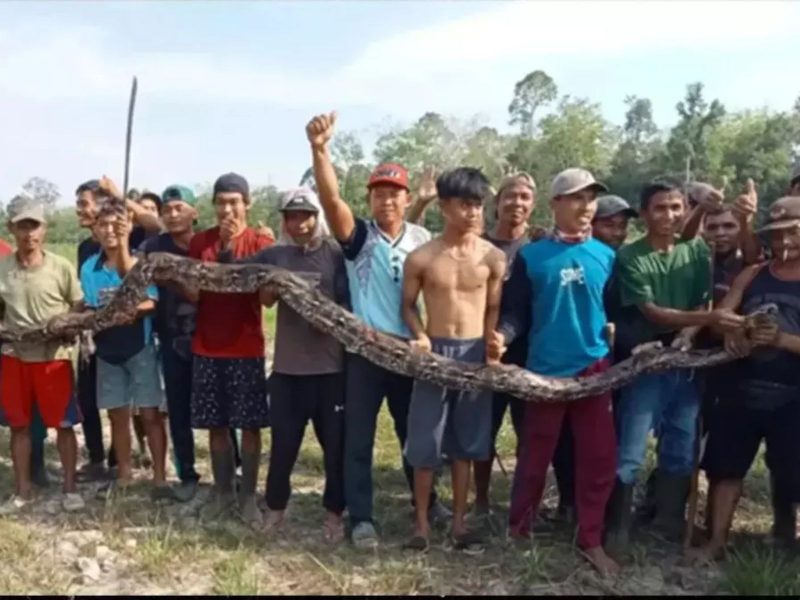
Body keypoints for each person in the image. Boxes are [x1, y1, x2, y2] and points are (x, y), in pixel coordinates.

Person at [306, 111, 449, 549]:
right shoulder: (360, 237)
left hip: (409, 351)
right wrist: (320, 150)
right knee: (359, 438)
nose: (386, 200)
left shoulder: (423, 237)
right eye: (378, 193)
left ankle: (427, 503)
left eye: (394, 194)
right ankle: (362, 517)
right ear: (369, 200)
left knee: (415, 434)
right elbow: (332, 203)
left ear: (406, 200)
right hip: (366, 352)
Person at [489, 168, 620, 575]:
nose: (586, 207)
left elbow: (617, 312)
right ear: (556, 205)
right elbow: (516, 312)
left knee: (598, 458)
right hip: (544, 372)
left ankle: (591, 539)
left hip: (594, 371)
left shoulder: (606, 256)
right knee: (534, 457)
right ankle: (519, 529)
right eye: (577, 198)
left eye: (591, 199)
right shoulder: (531, 257)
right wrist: (502, 337)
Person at [605, 181, 744, 551]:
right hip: (644, 360)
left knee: (682, 445)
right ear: (646, 213)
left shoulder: (697, 250)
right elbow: (651, 311)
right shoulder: (631, 256)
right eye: (660, 208)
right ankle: (616, 529)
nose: (669, 215)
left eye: (676, 207)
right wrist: (711, 319)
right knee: (631, 449)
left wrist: (693, 329)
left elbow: (700, 302)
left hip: (687, 362)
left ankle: (667, 524)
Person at [234, 188, 348, 542]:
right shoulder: (275, 255)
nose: (299, 223)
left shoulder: (335, 254)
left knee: (335, 448)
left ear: (318, 216)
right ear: (284, 220)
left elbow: (347, 304)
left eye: (306, 215)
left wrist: (326, 320)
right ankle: (277, 509)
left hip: (330, 370)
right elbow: (251, 286)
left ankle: (334, 513)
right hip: (287, 369)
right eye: (292, 216)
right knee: (283, 446)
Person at [401, 168, 505, 553]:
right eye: (465, 204)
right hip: (435, 353)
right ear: (444, 206)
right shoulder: (422, 257)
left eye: (478, 205)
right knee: (426, 441)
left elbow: (493, 307)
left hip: (474, 353)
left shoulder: (492, 258)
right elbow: (408, 306)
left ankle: (460, 522)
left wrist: (494, 345)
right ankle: (422, 524)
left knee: (468, 442)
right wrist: (421, 336)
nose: (473, 212)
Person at [690, 196, 800, 561]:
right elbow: (723, 311)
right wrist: (731, 330)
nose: (785, 243)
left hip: (793, 394)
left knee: (794, 472)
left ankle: (788, 540)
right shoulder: (754, 273)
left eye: (794, 234)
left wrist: (783, 340)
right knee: (725, 468)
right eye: (779, 235)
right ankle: (716, 542)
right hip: (741, 386)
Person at [186, 173, 272, 527]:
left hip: (246, 347)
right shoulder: (199, 243)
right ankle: (223, 493)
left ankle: (249, 496)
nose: (227, 209)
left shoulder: (262, 241)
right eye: (221, 202)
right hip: (207, 346)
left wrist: (235, 253)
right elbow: (193, 294)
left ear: (247, 204)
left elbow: (266, 299)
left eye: (234, 202)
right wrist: (219, 253)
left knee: (250, 426)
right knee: (216, 426)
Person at [0, 194, 84, 514]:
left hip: (53, 357)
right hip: (15, 356)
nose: (28, 234)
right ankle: (23, 490)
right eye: (22, 226)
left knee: (63, 424)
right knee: (19, 425)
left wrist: (66, 323)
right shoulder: (3, 269)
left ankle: (69, 488)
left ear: (44, 230)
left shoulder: (60, 267)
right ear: (12, 229)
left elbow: (77, 304)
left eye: (34, 226)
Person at [74, 178, 161, 481]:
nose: (109, 230)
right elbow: (90, 304)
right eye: (104, 225)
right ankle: (123, 474)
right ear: (95, 228)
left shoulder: (139, 259)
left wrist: (130, 310)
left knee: (150, 414)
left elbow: (151, 300)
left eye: (116, 225)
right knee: (117, 415)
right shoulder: (89, 266)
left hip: (140, 345)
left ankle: (161, 476)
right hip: (107, 350)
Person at [472, 173, 535, 517]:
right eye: (510, 196)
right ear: (497, 203)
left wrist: (505, 336)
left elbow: (525, 307)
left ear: (533, 205)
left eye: (525, 197)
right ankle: (481, 500)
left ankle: (523, 504)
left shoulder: (538, 250)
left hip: (527, 353)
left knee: (527, 432)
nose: (517, 202)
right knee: (484, 429)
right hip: (480, 351)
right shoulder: (476, 246)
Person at [140, 185, 203, 502]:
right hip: (171, 338)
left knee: (220, 410)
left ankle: (229, 473)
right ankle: (187, 474)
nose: (173, 214)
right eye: (167, 210)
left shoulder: (207, 245)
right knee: (177, 410)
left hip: (210, 338)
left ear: (195, 212)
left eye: (180, 208)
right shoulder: (153, 247)